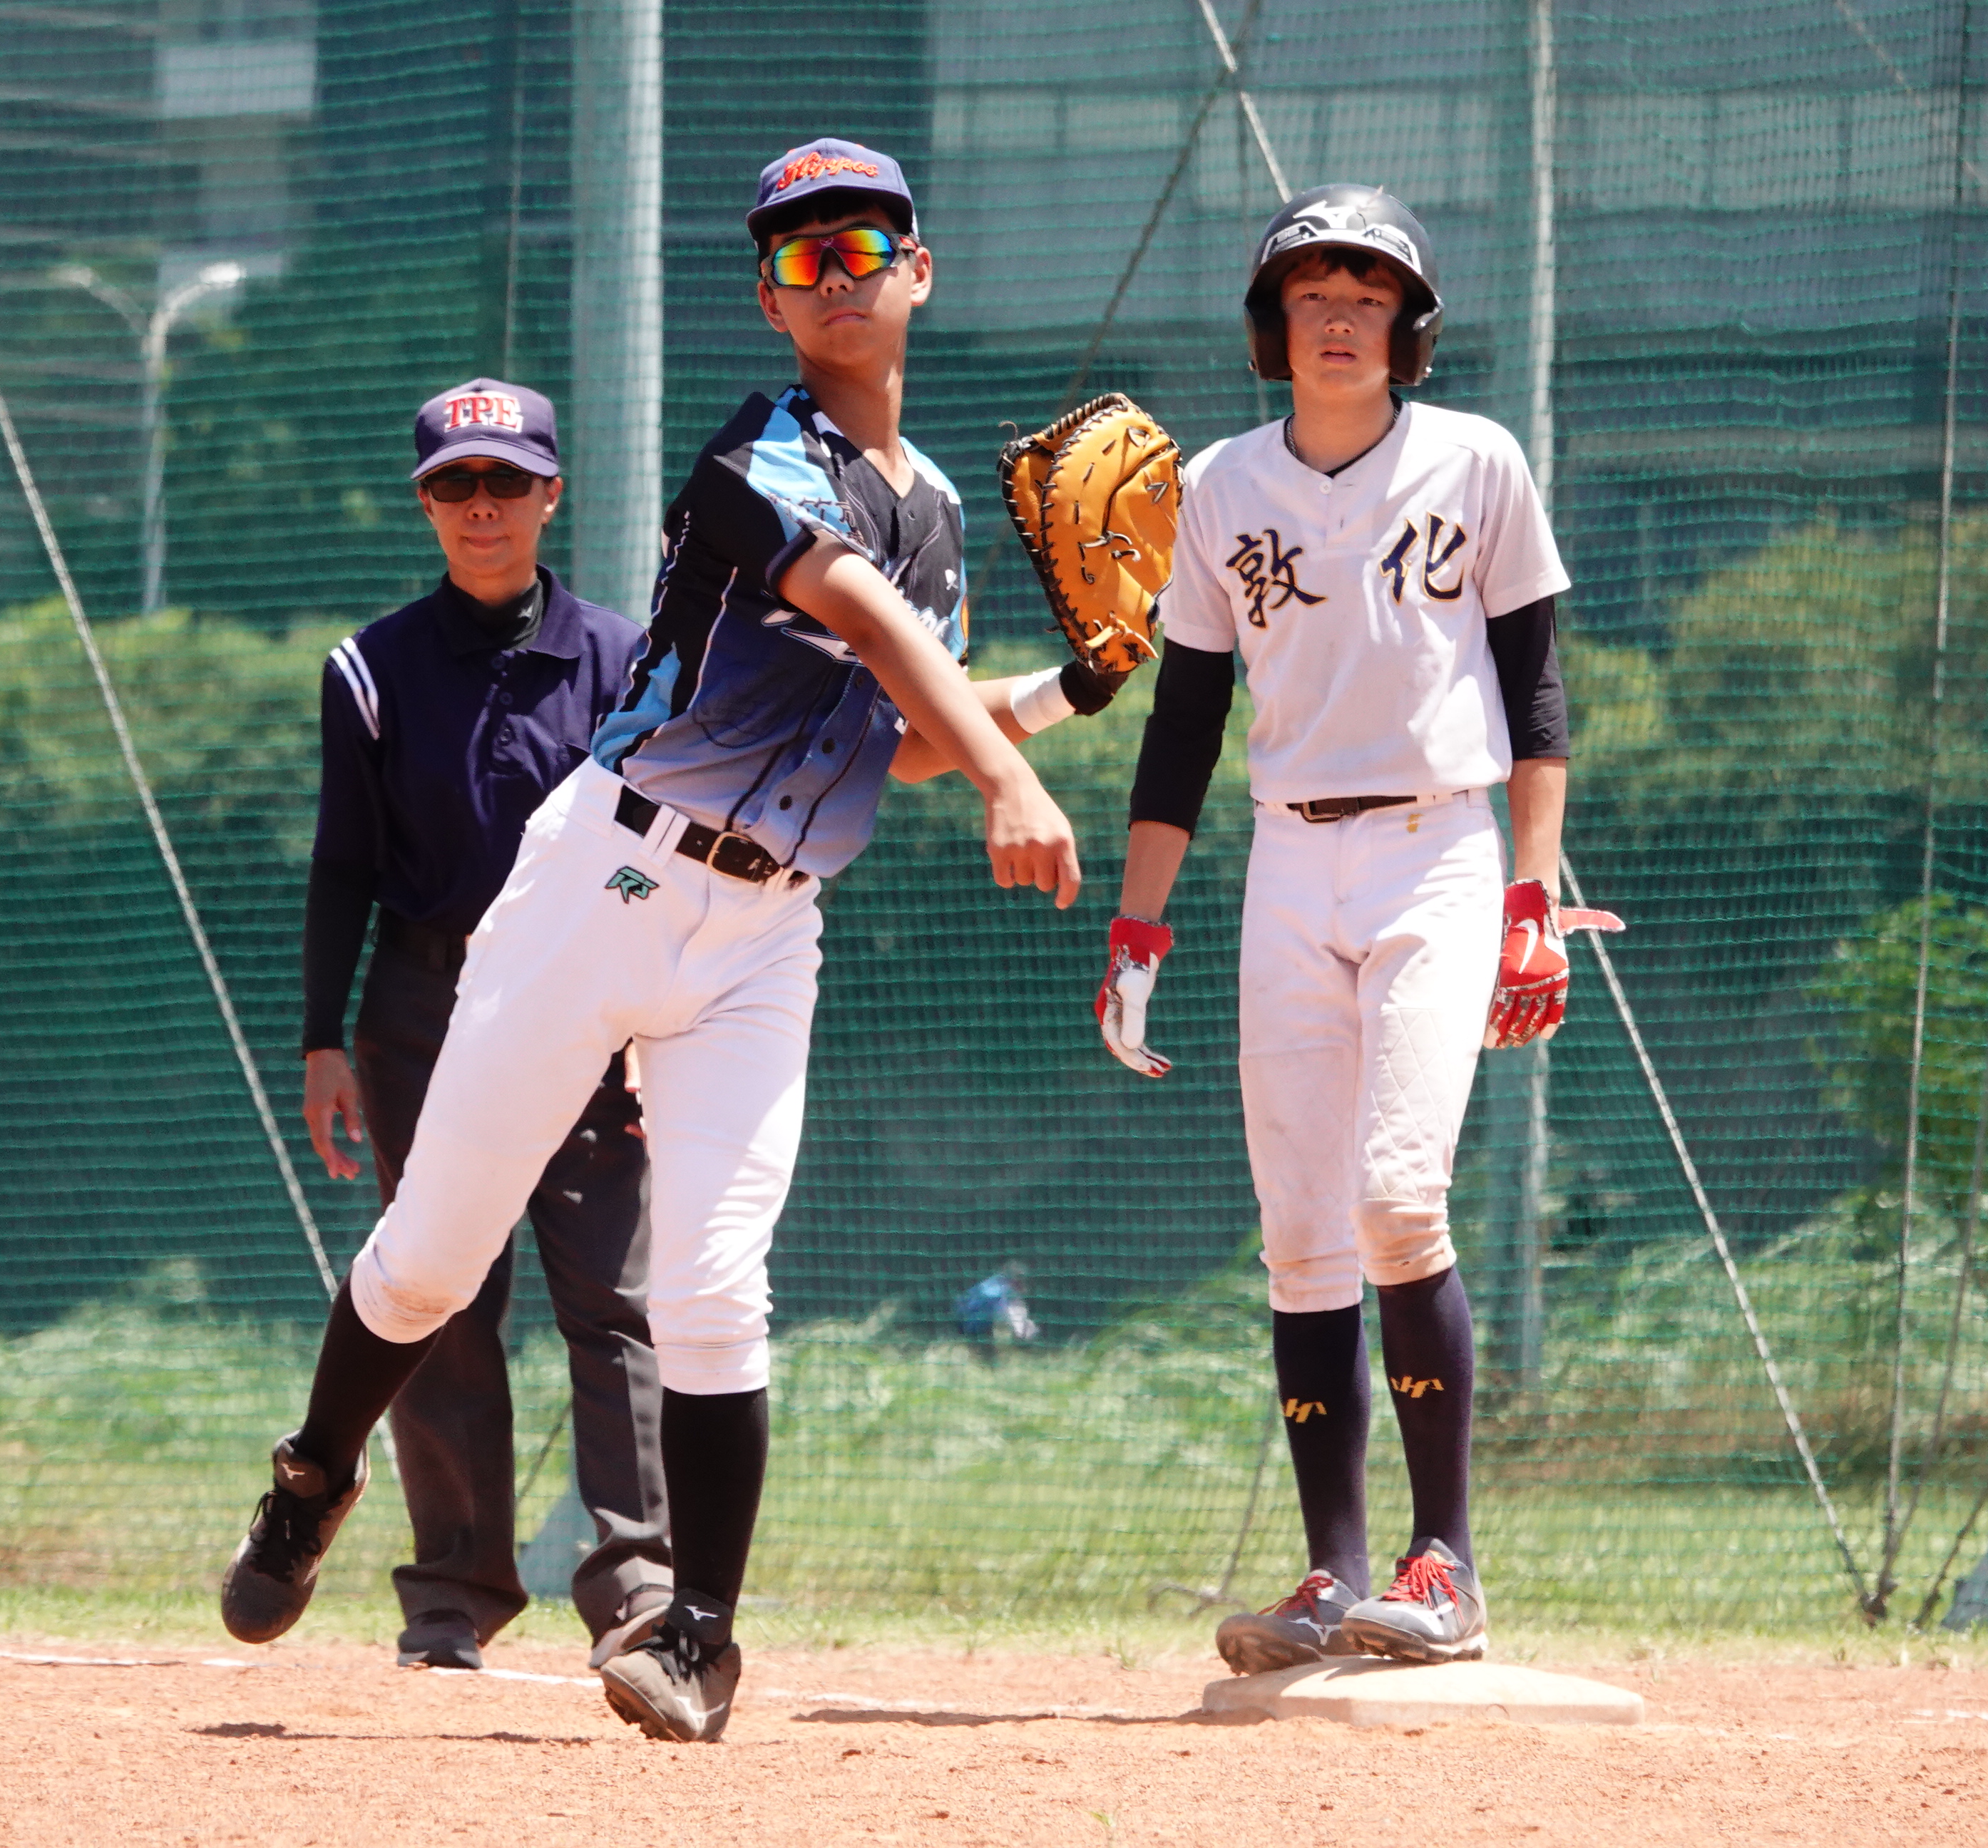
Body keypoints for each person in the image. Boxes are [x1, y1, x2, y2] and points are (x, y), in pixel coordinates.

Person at [222, 137, 1113, 1742]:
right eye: (799, 257)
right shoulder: (754, 457)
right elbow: (868, 624)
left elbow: (900, 732)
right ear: (769, 300)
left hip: (765, 933)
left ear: (921, 271)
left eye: (863, 247)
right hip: (607, 882)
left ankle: (694, 1638)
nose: (834, 277)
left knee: (712, 1287)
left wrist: (1067, 694)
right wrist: (1012, 778)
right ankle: (314, 1473)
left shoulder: (933, 512)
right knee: (431, 1261)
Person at [1097, 185, 1587, 1673]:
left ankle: (1448, 1570)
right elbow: (1185, 721)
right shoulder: (1221, 487)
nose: (1338, 314)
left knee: (1393, 1201)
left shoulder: (1477, 461)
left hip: (1438, 851)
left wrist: (1533, 899)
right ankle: (1334, 1576)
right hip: (1289, 863)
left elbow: (1537, 694)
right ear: (1274, 324)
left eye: (1369, 292)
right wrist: (1137, 925)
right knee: (1301, 1238)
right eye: (1311, 290)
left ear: (1407, 327)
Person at [287, 377, 668, 1673]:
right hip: (424, 1005)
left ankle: (638, 1588)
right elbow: (343, 863)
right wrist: (323, 1040)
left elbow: (656, 862)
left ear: (553, 493)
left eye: (507, 481)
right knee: (439, 1299)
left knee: (615, 1298)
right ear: (427, 504)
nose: (482, 506)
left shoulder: (628, 663)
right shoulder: (371, 670)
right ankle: (451, 1598)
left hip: (586, 1001)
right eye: (455, 484)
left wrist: (646, 1022)